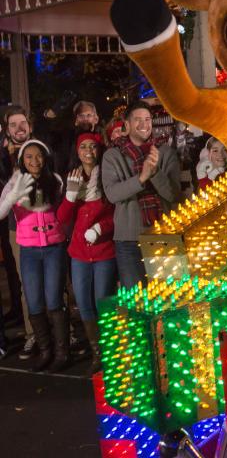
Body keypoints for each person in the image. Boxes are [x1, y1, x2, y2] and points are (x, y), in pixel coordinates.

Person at [0, 140, 69, 371]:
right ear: (21, 160)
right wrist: (13, 195)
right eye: (28, 157)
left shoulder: (55, 180)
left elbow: (65, 211)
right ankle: (45, 350)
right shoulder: (14, 182)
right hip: (28, 250)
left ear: (45, 157)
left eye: (38, 156)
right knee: (34, 301)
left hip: (54, 248)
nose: (34, 161)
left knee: (54, 300)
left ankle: (62, 353)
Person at [102, 101, 181, 289]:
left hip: (164, 234)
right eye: (138, 120)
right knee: (138, 302)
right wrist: (142, 177)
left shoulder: (165, 152)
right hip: (129, 240)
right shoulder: (112, 156)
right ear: (127, 125)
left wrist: (155, 173)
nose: (144, 124)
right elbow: (113, 194)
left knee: (170, 297)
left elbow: (172, 195)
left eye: (147, 119)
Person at [56, 132, 116, 373]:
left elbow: (116, 211)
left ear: (99, 150)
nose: (88, 151)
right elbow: (62, 218)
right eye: (83, 147)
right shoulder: (72, 177)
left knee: (103, 302)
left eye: (93, 146)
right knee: (84, 303)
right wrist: (71, 197)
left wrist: (101, 227)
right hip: (79, 254)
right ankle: (97, 353)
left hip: (104, 252)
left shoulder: (107, 177)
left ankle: (111, 352)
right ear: (77, 151)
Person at [1, 106, 37, 360]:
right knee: (27, 281)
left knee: (56, 282)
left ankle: (62, 332)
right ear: (6, 129)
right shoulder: (2, 157)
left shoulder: (42, 150)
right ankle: (33, 334)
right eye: (13, 125)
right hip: (17, 226)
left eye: (22, 123)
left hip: (47, 223)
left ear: (29, 125)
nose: (18, 128)